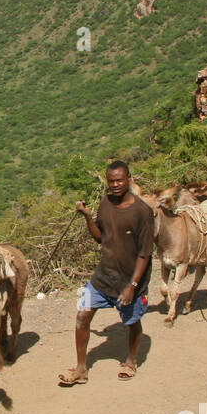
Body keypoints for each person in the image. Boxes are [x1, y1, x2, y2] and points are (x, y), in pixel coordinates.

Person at [58, 160, 154, 385]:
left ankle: (131, 361)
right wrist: (88, 216)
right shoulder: (106, 203)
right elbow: (100, 237)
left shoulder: (142, 212)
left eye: (120, 180)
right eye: (111, 181)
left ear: (129, 179)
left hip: (130, 281)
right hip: (103, 277)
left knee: (132, 322)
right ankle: (81, 370)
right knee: (82, 316)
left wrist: (132, 286)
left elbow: (145, 253)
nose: (116, 184)